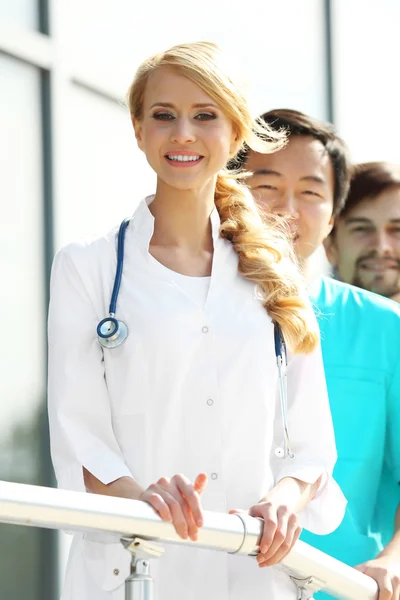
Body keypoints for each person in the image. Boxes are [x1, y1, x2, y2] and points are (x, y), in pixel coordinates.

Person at [47, 45, 346, 600]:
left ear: (235, 135)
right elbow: (78, 436)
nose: (182, 133)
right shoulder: (87, 267)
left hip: (254, 572)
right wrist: (141, 497)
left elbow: (311, 445)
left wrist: (284, 499)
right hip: (133, 571)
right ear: (138, 130)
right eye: (163, 115)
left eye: (205, 116)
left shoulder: (274, 271)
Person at [237, 108, 400, 600]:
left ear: (331, 215)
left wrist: (391, 562)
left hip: (346, 588)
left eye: (310, 192)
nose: (287, 208)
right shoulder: (188, 315)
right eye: (267, 185)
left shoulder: (384, 329)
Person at [324, 161, 400, 302]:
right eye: (361, 229)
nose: (381, 247)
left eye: (397, 230)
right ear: (330, 246)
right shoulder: (295, 323)